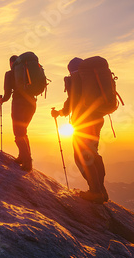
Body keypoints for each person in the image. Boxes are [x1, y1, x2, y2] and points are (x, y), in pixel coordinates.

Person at [51, 57, 108, 203]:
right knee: (93, 153)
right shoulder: (91, 78)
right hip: (98, 119)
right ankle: (101, 190)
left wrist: (59, 113)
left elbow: (72, 101)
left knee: (82, 156)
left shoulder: (77, 79)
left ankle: (95, 192)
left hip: (84, 122)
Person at [0, 55, 35, 171]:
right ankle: (22, 156)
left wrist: (2, 100)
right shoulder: (28, 70)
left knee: (18, 133)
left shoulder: (9, 74)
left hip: (19, 103)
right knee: (23, 131)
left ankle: (27, 162)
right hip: (32, 103)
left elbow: (7, 94)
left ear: (11, 63)